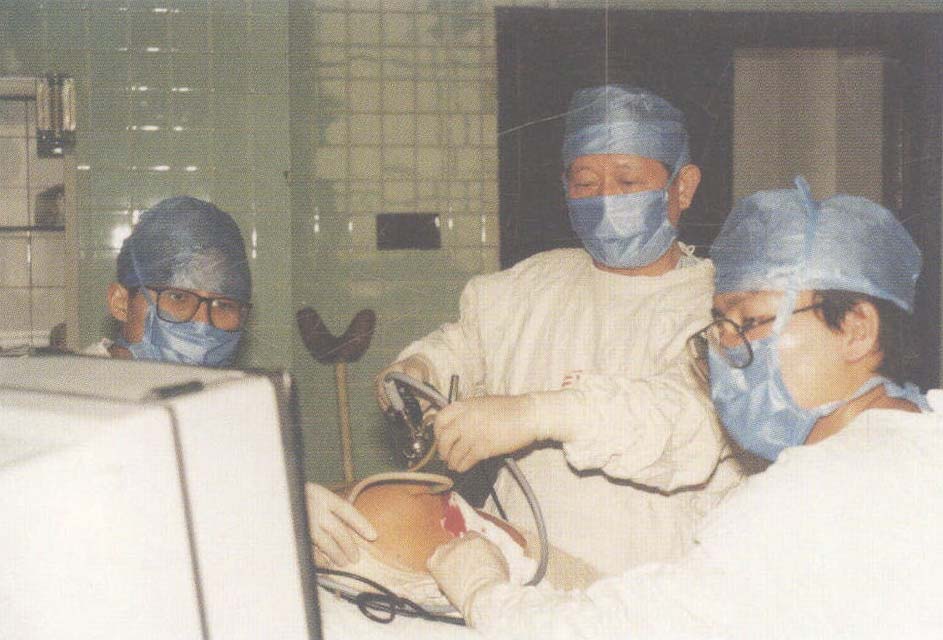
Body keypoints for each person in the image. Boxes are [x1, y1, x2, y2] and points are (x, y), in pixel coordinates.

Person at [426, 178, 943, 638]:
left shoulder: (808, 496)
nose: (728, 351)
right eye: (721, 326)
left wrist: (482, 590)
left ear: (856, 329)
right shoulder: (918, 437)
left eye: (751, 322)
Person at [309, 85, 742, 575]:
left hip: (648, 583)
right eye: (585, 183)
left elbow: (688, 425)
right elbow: (466, 347)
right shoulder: (531, 286)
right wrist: (420, 371)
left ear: (683, 186)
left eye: (627, 181)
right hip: (519, 566)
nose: (605, 200)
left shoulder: (722, 307)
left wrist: (537, 414)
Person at [84, 196, 252, 367]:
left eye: (224, 305)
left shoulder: (238, 384)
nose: (203, 324)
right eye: (178, 297)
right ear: (121, 303)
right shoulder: (78, 380)